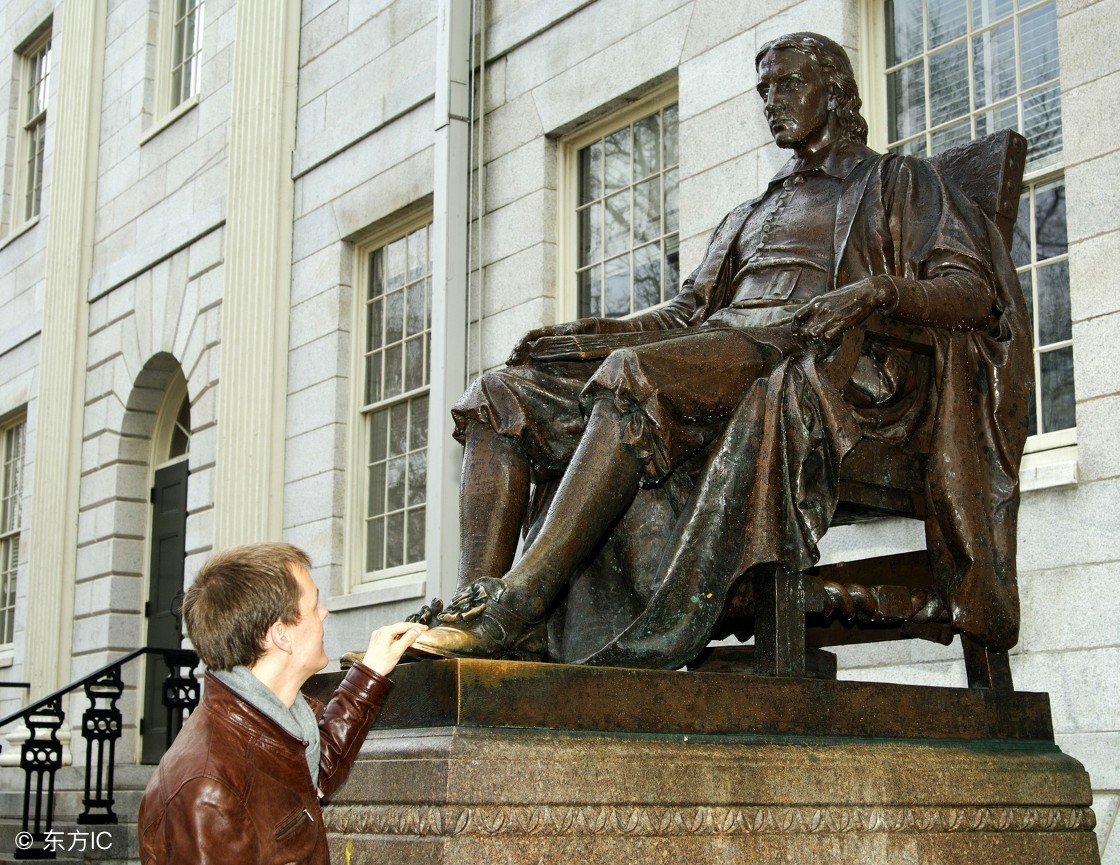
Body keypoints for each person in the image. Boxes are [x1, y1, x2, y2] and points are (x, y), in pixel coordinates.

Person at [408, 32, 1030, 668]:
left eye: (789, 84)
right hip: (716, 351)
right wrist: (594, 333)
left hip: (811, 358)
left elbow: (974, 293)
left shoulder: (898, 181)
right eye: (765, 88)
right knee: (497, 394)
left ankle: (517, 608)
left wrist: (875, 292)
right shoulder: (750, 212)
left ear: (837, 92)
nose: (772, 100)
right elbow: (686, 312)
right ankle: (469, 615)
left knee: (633, 378)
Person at [138, 543, 422, 865]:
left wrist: (370, 673)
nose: (324, 613)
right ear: (281, 635)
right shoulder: (208, 790)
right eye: (314, 606)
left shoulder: (269, 723)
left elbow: (311, 772)